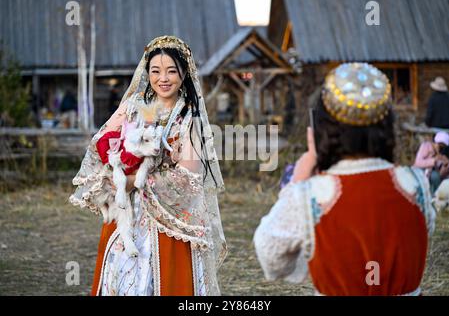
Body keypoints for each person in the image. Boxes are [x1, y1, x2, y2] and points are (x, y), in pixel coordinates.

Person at [254, 63, 438, 296]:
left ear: (323, 129)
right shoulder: (416, 184)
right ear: (386, 125)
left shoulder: (310, 194)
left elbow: (272, 258)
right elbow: (419, 234)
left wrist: (299, 177)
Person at [69, 36, 227, 296]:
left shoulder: (189, 119)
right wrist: (120, 165)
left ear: (184, 73)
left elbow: (188, 178)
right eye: (155, 71)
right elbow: (101, 143)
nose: (163, 78)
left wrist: (136, 181)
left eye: (171, 71)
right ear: (147, 73)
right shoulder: (134, 108)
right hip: (129, 213)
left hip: (167, 220)